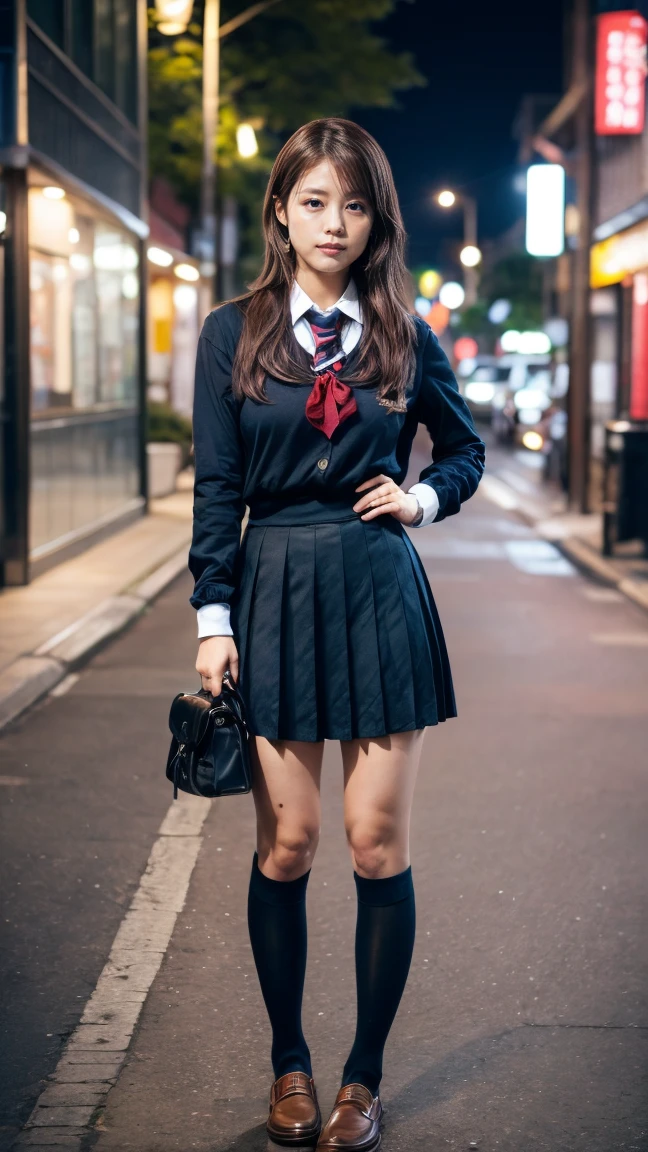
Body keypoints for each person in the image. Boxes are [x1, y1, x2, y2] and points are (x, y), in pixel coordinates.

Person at [189, 117, 485, 1151]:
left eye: (354, 204)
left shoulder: (402, 331)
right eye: (315, 201)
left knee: (371, 844)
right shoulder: (235, 332)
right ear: (281, 210)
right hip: (271, 585)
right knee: (290, 843)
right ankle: (290, 1066)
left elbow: (464, 448)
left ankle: (361, 1080)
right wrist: (211, 621)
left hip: (376, 590)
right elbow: (218, 487)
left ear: (376, 220)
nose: (335, 222)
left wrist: (420, 503)